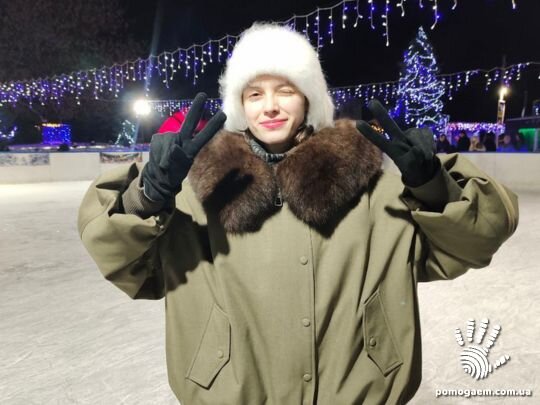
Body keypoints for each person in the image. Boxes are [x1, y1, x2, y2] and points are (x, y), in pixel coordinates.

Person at [78, 23, 519, 404]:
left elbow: (476, 239)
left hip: (355, 392)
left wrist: (433, 186)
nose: (269, 106)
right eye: (254, 94)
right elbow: (125, 264)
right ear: (240, 105)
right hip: (229, 393)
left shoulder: (370, 186)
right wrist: (147, 198)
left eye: (285, 90)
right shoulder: (196, 190)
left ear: (308, 98)